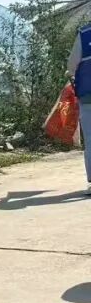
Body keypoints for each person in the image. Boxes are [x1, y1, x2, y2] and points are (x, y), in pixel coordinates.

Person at [66, 22, 91, 193]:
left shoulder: (85, 34)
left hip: (88, 96)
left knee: (90, 140)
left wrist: (71, 74)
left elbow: (71, 65)